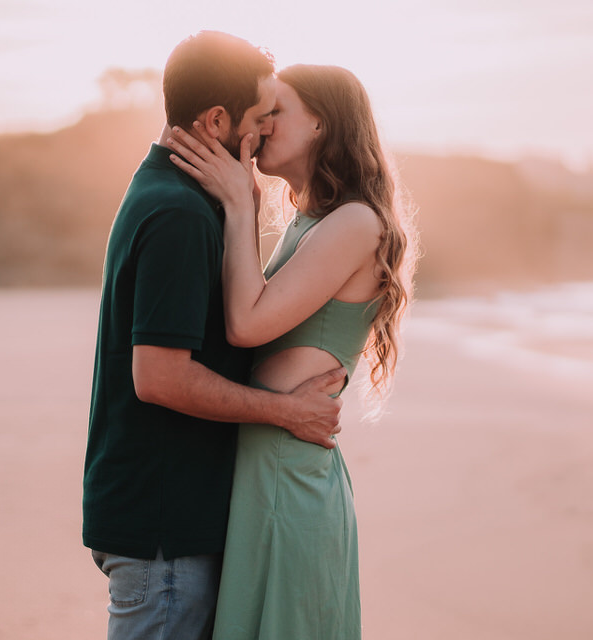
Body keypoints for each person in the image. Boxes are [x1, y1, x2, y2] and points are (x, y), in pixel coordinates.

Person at [83, 33, 349, 640]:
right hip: (164, 530)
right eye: (257, 123)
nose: (258, 145)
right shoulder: (177, 212)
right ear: (217, 120)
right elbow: (159, 377)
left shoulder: (174, 195)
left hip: (162, 518)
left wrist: (242, 211)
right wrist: (286, 413)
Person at [168, 64, 415, 639]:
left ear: (321, 124)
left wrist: (239, 204)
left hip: (291, 478)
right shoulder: (310, 220)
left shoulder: (356, 222)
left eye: (276, 110)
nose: (260, 124)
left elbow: (247, 323)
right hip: (268, 468)